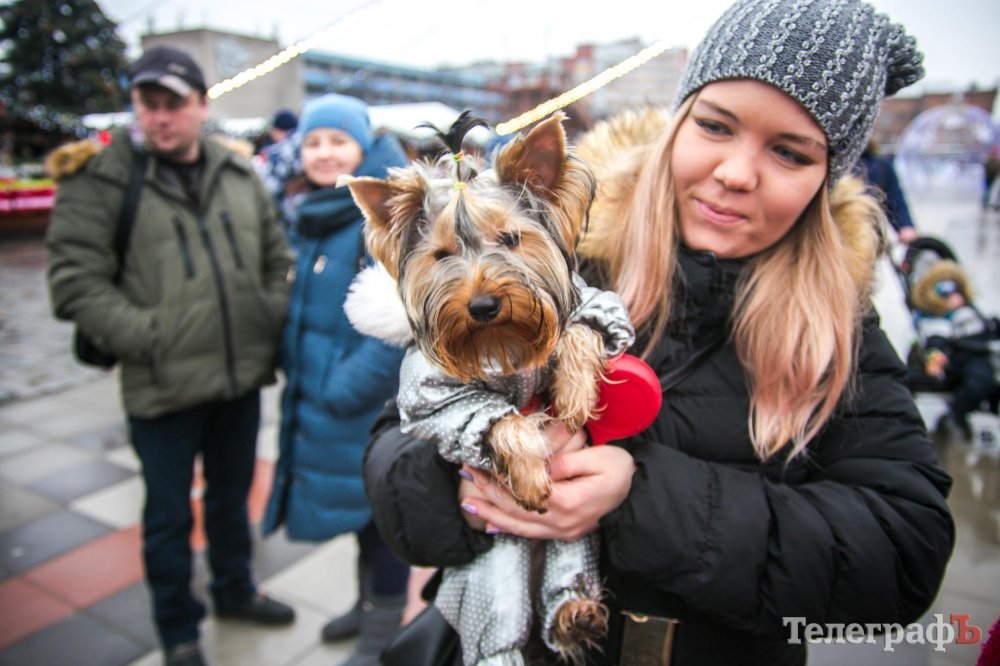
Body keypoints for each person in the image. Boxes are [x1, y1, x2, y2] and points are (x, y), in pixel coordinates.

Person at [363, 1, 955, 664]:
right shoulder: (557, 260)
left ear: (826, 177)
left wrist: (639, 497)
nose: (736, 173)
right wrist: (466, 481)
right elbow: (394, 447)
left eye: (790, 152)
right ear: (678, 122)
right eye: (715, 125)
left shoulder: (838, 328)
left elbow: (904, 555)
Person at [45, 45, 294, 666]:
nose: (160, 117)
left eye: (173, 104)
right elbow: (75, 281)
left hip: (238, 378)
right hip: (162, 384)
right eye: (148, 103)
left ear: (201, 105)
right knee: (166, 518)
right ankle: (178, 629)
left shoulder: (237, 173)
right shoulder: (102, 180)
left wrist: (263, 316)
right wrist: (150, 337)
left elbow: (276, 256)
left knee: (232, 502)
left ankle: (235, 590)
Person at [260, 93, 410, 666]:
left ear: (364, 146)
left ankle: (383, 633)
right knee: (358, 517)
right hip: (326, 401)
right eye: (314, 142)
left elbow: (397, 319)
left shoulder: (382, 214)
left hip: (365, 406)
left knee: (383, 521)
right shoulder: (316, 211)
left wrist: (341, 388)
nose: (325, 153)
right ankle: (364, 604)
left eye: (338, 141)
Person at [911, 260, 1000, 441]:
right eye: (946, 293)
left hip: (987, 350)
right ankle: (955, 415)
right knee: (980, 382)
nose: (954, 297)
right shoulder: (938, 319)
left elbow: (989, 327)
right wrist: (935, 357)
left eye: (956, 291)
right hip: (966, 357)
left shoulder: (971, 311)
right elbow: (937, 340)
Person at [857, 139, 919, 243]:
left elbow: (896, 201)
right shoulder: (835, 164)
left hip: (870, 238)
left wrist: (905, 226)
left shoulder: (880, 165)